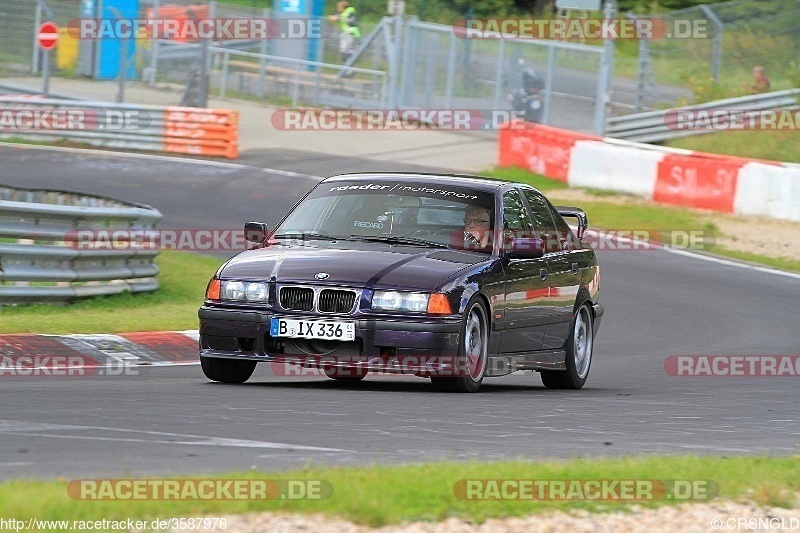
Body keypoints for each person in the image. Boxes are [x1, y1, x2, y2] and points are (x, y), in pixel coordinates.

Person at [329, 1, 360, 75]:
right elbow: (336, 16)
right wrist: (332, 16)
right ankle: (348, 71)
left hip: (350, 34)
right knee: (346, 53)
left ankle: (349, 71)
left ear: (343, 7)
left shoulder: (349, 11)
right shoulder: (344, 12)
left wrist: (336, 18)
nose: (338, 9)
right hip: (347, 34)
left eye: (339, 7)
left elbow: (343, 18)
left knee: (345, 53)